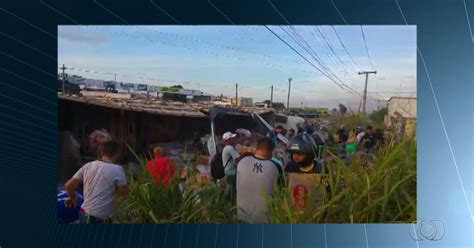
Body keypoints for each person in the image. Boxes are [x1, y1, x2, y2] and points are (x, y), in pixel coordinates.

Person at [64, 140, 128, 223]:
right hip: (103, 217)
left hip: (85, 213)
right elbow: (123, 193)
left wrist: (72, 198)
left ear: (101, 152)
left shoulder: (88, 166)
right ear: (117, 154)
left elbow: (68, 186)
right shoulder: (117, 169)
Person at [236, 137, 283, 223]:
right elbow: (279, 193)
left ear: (257, 148)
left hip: (242, 215)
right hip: (264, 219)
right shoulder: (274, 167)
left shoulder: (242, 162)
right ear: (272, 152)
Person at [222, 131, 241, 201]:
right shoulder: (229, 148)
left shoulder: (225, 148)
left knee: (230, 189)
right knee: (232, 190)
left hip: (228, 171)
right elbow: (237, 158)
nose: (233, 140)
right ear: (229, 140)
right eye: (232, 138)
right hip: (231, 172)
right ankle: (230, 203)